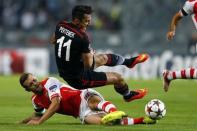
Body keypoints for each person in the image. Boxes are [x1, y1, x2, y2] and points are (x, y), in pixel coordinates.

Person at [50, 5, 149, 102]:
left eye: (89, 20)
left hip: (66, 70)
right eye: (86, 21)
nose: (89, 23)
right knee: (118, 78)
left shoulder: (61, 25)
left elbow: (53, 40)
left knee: (102, 58)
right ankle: (128, 96)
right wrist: (90, 54)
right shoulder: (82, 37)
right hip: (78, 78)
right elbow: (88, 66)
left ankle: (128, 62)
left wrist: (74, 52)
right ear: (76, 20)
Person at [18, 73, 156, 125]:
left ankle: (113, 110)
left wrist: (40, 122)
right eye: (31, 84)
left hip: (82, 96)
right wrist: (22, 123)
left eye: (34, 79)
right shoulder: (35, 100)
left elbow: (55, 103)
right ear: (27, 89)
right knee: (106, 123)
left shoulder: (49, 82)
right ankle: (142, 120)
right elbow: (37, 113)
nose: (35, 83)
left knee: (94, 103)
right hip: (81, 113)